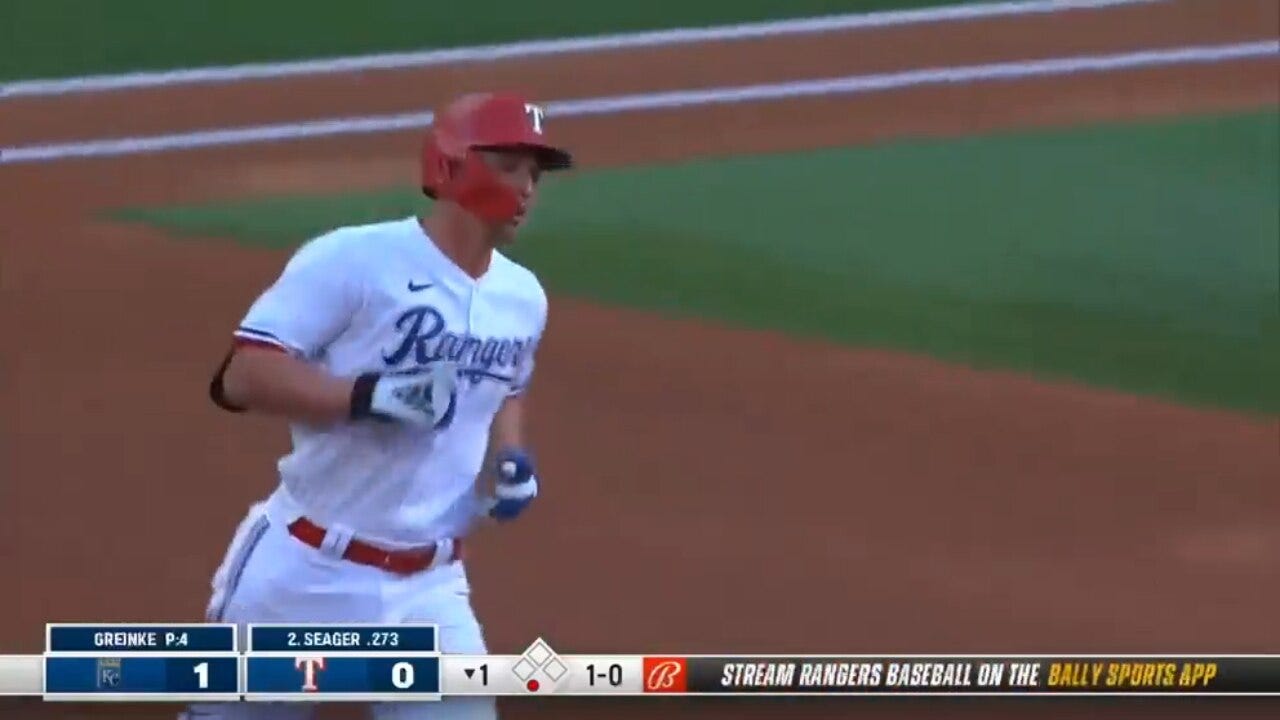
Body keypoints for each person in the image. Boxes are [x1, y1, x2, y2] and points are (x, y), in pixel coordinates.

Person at [182, 91, 572, 720]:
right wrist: (367, 396)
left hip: (431, 586)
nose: (526, 186)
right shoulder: (357, 260)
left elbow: (508, 381)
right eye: (508, 164)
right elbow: (242, 377)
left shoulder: (523, 297)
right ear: (450, 166)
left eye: (535, 172)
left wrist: (511, 456)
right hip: (304, 572)